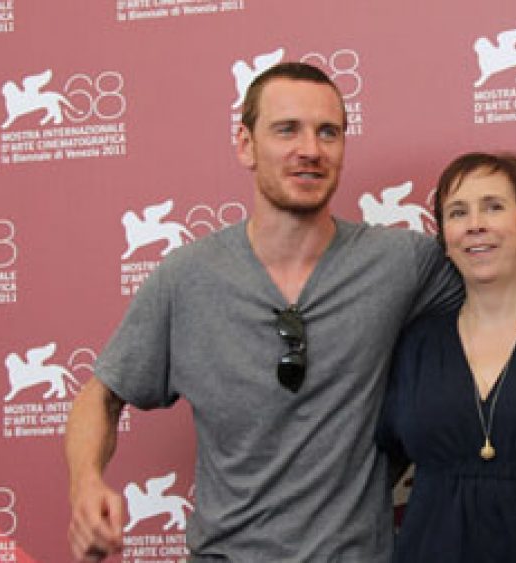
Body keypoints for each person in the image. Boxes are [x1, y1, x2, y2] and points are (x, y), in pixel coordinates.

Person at [64, 62, 462, 561]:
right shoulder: (186, 277)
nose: (310, 149)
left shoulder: (402, 263)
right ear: (245, 145)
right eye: (286, 130)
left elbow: (508, 286)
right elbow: (100, 396)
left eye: (328, 132)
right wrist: (86, 485)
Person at [376, 152, 516, 562]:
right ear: (445, 238)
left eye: (493, 207)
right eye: (457, 213)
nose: (475, 224)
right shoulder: (415, 344)